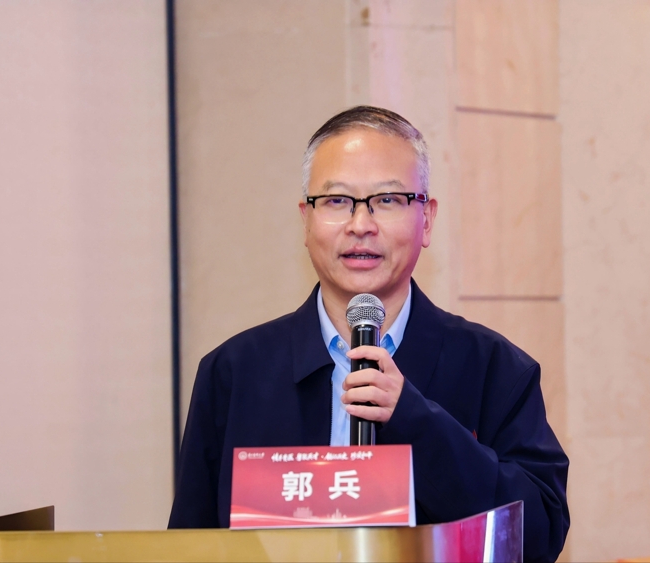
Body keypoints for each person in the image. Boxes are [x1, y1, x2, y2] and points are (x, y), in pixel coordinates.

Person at [169, 106, 569, 562]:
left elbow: (538, 535)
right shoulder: (234, 373)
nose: (361, 225)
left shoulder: (494, 368)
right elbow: (189, 547)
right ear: (305, 220)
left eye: (388, 200)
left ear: (427, 219)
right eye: (337, 201)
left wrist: (416, 419)